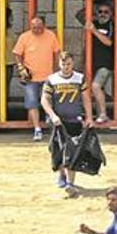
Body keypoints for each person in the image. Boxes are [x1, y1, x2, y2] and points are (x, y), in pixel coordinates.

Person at [41, 51, 95, 197]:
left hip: (74, 120)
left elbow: (86, 99)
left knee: (73, 151)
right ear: (59, 64)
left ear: (73, 63)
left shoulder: (79, 78)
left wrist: (89, 117)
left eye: (69, 64)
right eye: (63, 64)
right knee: (58, 149)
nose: (66, 67)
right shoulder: (52, 79)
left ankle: (70, 182)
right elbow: (44, 100)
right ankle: (62, 175)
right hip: (58, 122)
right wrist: (52, 116)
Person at [13, 16, 61, 141]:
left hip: (48, 76)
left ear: (44, 26)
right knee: (32, 103)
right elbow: (17, 54)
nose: (36, 30)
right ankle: (37, 128)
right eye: (33, 27)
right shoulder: (24, 37)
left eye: (39, 27)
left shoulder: (51, 36)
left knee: (48, 101)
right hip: (31, 77)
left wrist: (57, 70)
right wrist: (21, 68)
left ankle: (49, 124)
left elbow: (57, 53)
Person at [77, 2, 114, 123]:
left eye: (106, 12)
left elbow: (108, 42)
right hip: (91, 62)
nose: (103, 14)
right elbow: (78, 15)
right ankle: (96, 115)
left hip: (106, 63)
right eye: (100, 12)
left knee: (96, 86)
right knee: (90, 88)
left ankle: (103, 114)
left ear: (111, 14)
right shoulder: (93, 24)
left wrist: (94, 30)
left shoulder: (112, 25)